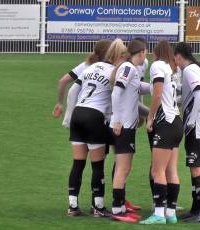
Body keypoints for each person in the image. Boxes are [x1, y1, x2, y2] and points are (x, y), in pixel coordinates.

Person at [60, 40, 113, 217]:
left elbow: (72, 91)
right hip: (94, 117)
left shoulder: (89, 68)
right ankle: (98, 206)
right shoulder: (114, 71)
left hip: (78, 115)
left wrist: (68, 117)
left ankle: (72, 206)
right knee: (98, 165)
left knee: (78, 164)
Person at [139, 41, 183, 225]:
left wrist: (150, 117)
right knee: (171, 170)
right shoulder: (170, 69)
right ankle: (170, 213)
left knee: (157, 170)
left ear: (157, 53)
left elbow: (157, 94)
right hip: (176, 122)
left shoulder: (158, 66)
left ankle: (158, 214)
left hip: (165, 122)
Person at [109, 39, 150, 223]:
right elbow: (116, 93)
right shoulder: (128, 68)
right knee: (122, 168)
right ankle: (118, 209)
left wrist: (163, 85)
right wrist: (117, 120)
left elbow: (141, 88)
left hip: (128, 126)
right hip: (123, 126)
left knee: (125, 167)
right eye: (145, 53)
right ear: (141, 52)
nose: (146, 57)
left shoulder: (131, 70)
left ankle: (121, 206)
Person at [174, 42, 200, 223]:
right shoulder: (197, 69)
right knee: (195, 167)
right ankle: (196, 208)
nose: (174, 62)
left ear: (179, 56)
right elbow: (193, 95)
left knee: (197, 168)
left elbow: (199, 94)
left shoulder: (189, 70)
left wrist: (190, 120)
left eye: (175, 58)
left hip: (196, 126)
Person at [53, 40, 111, 118]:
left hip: (78, 110)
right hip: (99, 111)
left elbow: (63, 81)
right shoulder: (112, 69)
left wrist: (60, 103)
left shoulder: (85, 65)